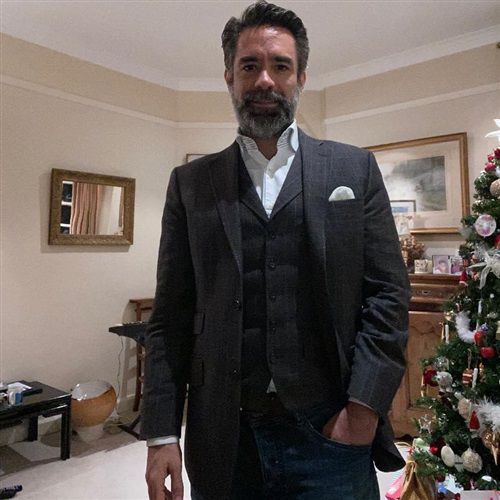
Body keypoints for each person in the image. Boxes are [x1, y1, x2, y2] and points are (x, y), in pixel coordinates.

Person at [141, 2, 410, 499]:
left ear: (301, 76)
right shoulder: (190, 184)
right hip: (224, 438)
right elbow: (171, 316)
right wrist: (161, 433)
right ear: (230, 77)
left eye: (280, 66)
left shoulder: (354, 170)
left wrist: (363, 411)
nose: (264, 80)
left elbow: (388, 297)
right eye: (250, 66)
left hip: (331, 432)